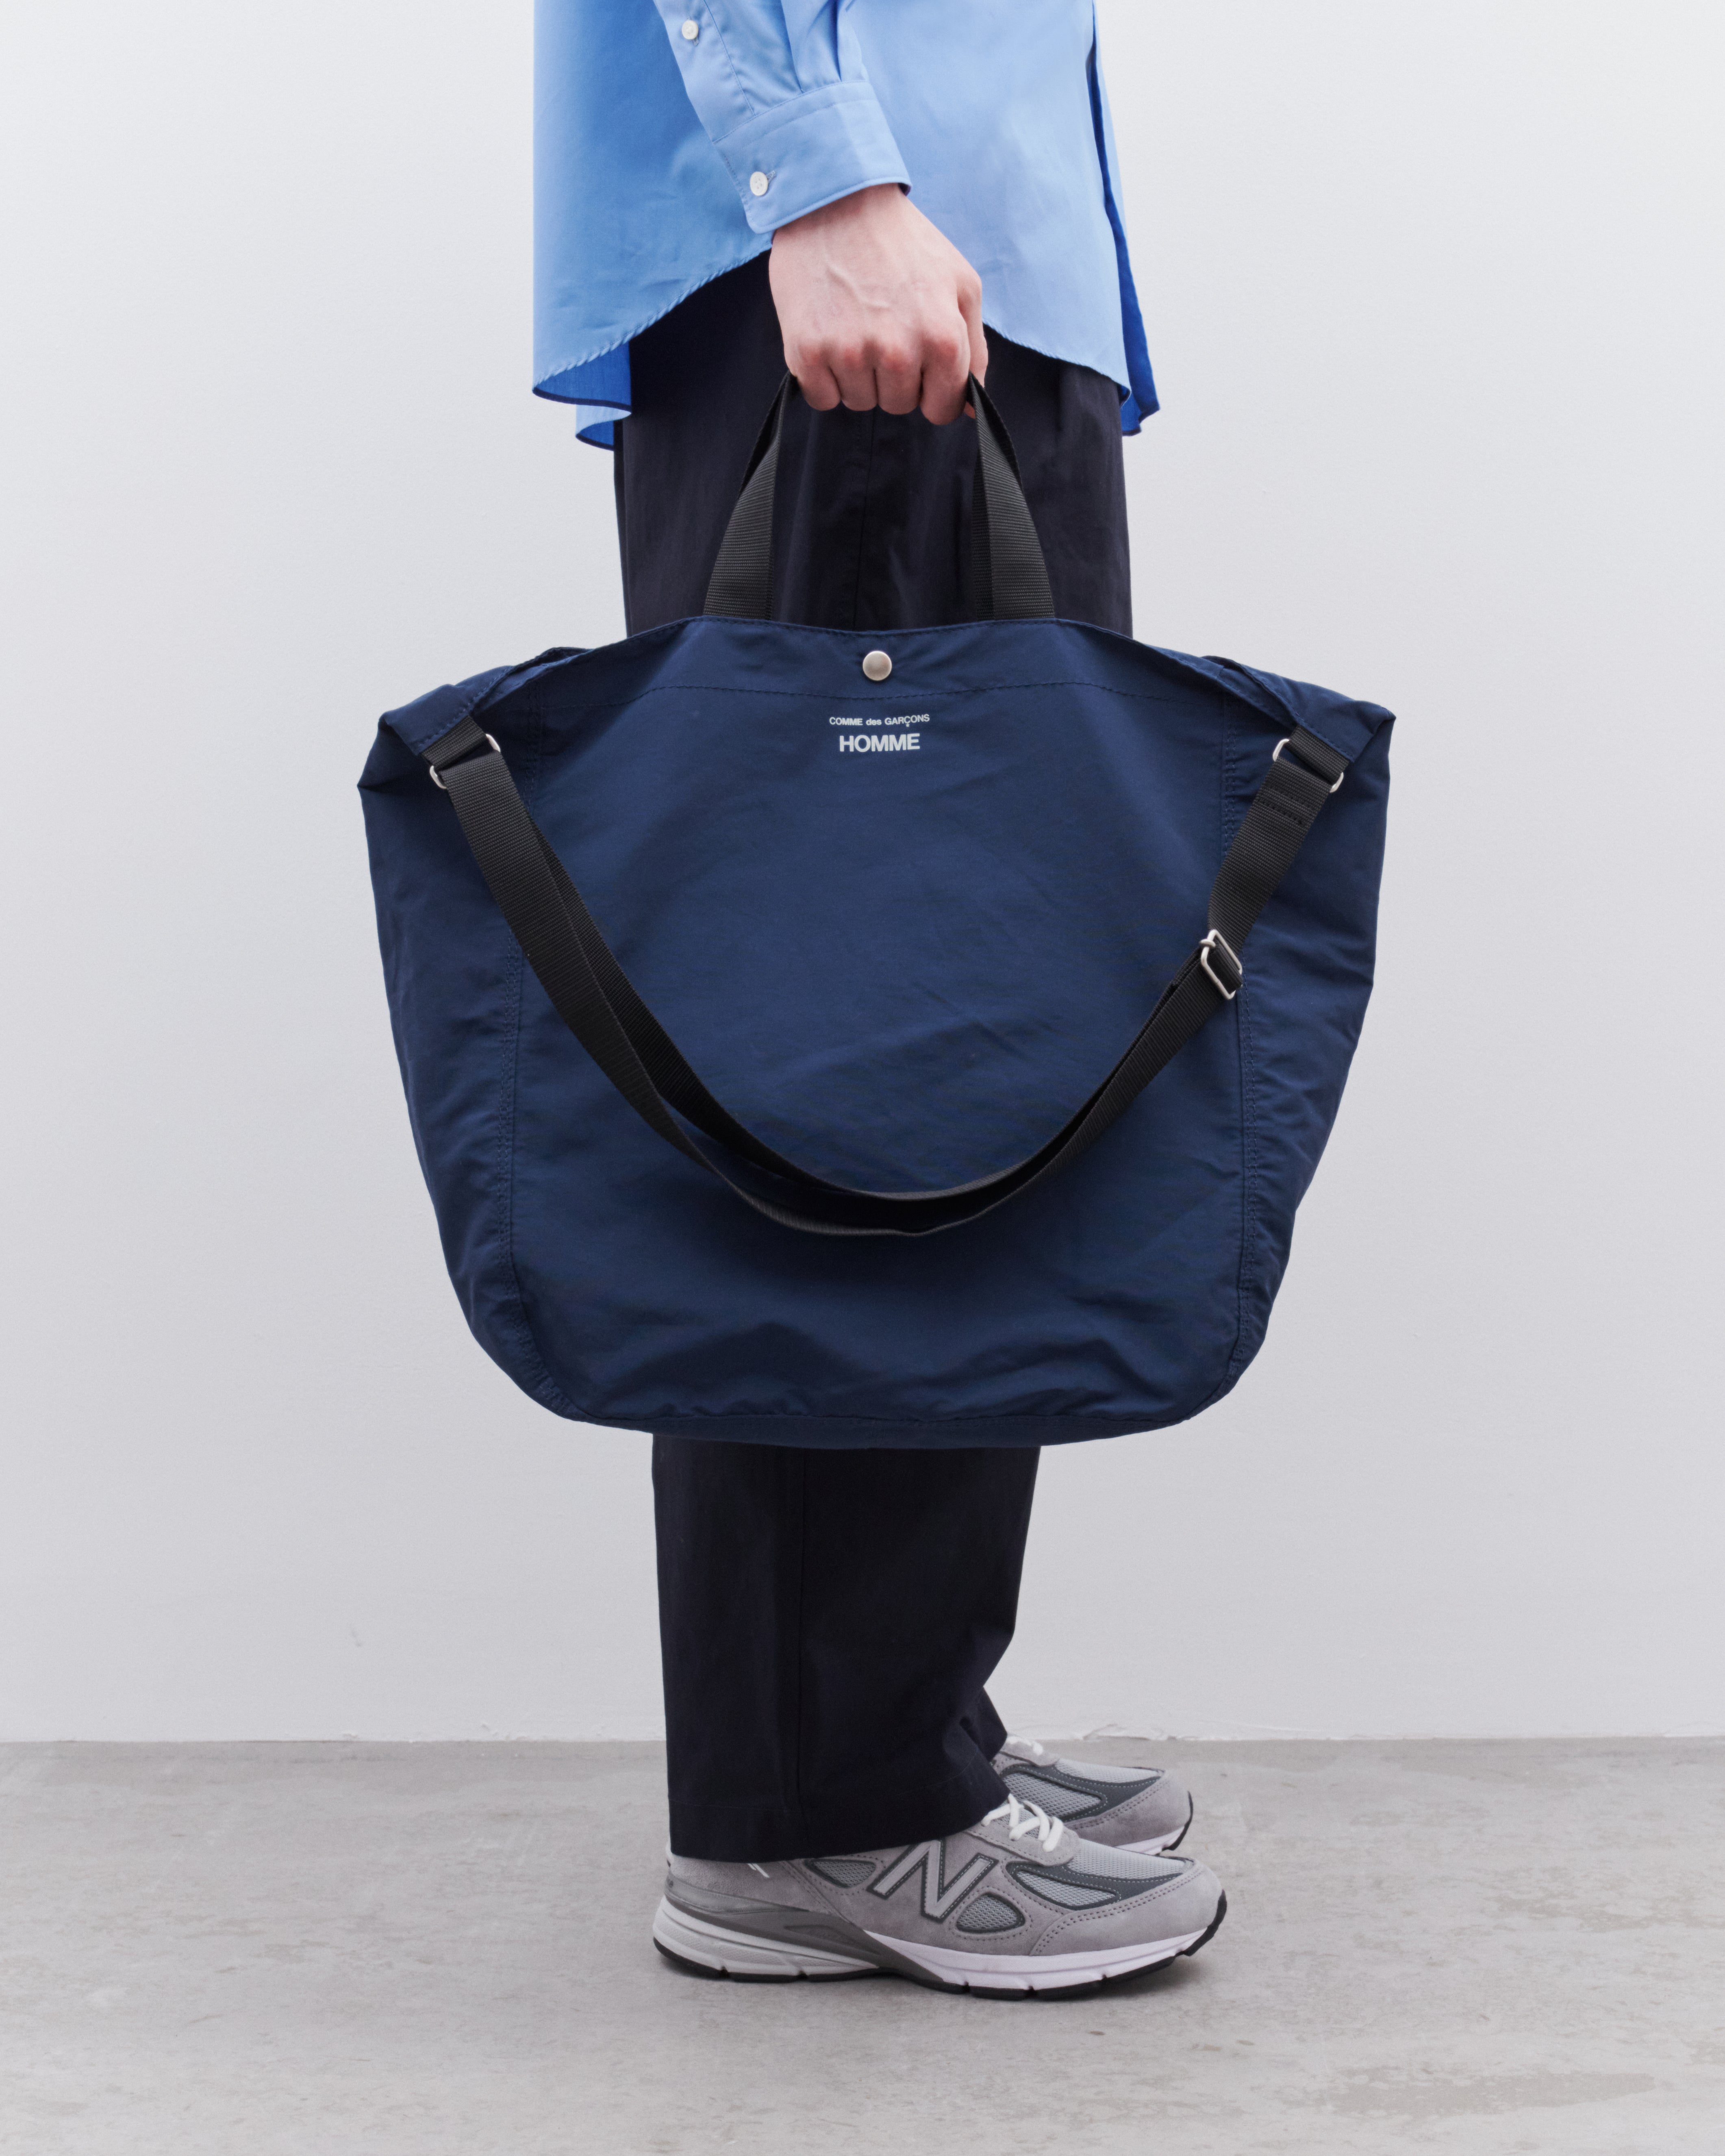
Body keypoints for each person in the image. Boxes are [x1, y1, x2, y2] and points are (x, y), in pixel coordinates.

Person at [534, 0, 1227, 1993]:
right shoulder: (836, 211)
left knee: (967, 1027)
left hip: (946, 259)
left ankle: (901, 1728)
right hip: (859, 253)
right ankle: (820, 1807)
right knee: (858, 1041)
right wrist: (820, 173)